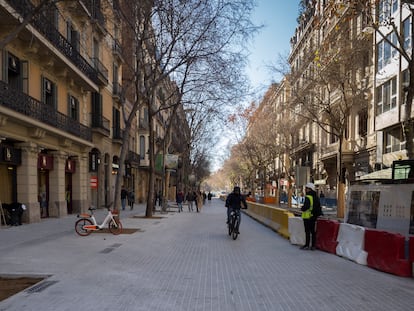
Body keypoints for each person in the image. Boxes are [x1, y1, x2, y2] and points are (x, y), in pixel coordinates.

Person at [300, 182, 322, 250]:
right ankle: (313, 246)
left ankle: (307, 245)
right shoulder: (316, 197)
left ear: (309, 189)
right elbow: (318, 207)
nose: (305, 190)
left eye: (306, 188)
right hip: (313, 216)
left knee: (307, 231)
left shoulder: (308, 197)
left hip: (307, 217)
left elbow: (306, 207)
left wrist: (302, 208)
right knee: (313, 231)